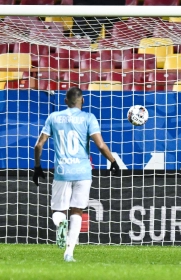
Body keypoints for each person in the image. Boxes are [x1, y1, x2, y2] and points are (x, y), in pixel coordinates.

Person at [32, 87, 120, 262]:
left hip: (62, 171)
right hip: (82, 172)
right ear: (83, 101)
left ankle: (60, 224)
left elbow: (38, 145)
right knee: (77, 211)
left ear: (65, 101)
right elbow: (101, 146)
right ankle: (69, 254)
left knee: (58, 211)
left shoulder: (54, 117)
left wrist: (37, 167)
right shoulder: (89, 118)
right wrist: (113, 161)